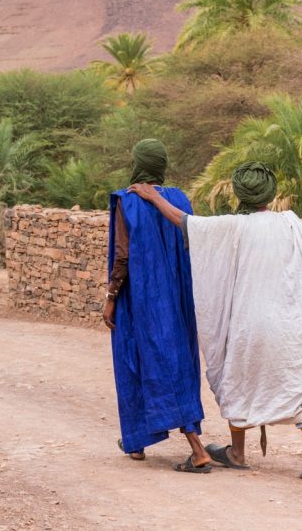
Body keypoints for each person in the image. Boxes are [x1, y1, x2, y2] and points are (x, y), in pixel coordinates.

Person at [129, 161, 302, 484]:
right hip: (293, 323)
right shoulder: (291, 224)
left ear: (240, 193)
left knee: (237, 378)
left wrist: (153, 197)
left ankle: (237, 453)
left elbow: (185, 223)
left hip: (248, 326)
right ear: (270, 192)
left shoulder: (233, 227)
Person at [104, 139, 212, 474]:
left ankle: (196, 451)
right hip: (177, 298)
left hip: (142, 298)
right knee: (177, 360)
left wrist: (110, 297)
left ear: (137, 163)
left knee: (136, 360)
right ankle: (137, 442)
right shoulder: (179, 199)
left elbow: (123, 255)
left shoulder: (129, 199)